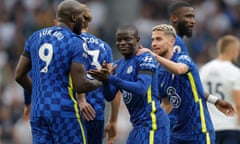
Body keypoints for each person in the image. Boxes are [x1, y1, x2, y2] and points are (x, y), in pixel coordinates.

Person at [14, 0, 102, 144]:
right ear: (74, 17)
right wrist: (101, 80)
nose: (83, 21)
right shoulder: (75, 42)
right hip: (64, 112)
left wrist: (36, 92)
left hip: (39, 111)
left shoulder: (35, 37)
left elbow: (19, 75)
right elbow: (80, 85)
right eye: (81, 17)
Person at [89, 25, 170, 144]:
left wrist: (111, 79)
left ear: (137, 40)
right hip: (138, 125)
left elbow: (142, 89)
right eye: (119, 40)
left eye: (127, 39)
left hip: (153, 123)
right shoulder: (119, 65)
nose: (122, 43)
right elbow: (110, 96)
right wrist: (105, 80)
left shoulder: (145, 58)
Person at [149, 24, 215, 143]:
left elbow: (179, 69)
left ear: (171, 41)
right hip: (175, 134)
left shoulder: (183, 59)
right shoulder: (158, 72)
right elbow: (166, 104)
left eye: (158, 39)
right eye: (152, 40)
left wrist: (154, 57)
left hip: (198, 131)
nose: (154, 43)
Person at [77, 5, 120, 144]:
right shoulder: (104, 47)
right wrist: (113, 120)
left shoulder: (66, 43)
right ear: (88, 23)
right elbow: (113, 86)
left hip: (71, 112)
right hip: (96, 113)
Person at [200, 35, 240, 144]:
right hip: (230, 126)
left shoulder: (204, 70)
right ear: (231, 50)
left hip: (209, 126)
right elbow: (238, 104)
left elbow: (199, 94)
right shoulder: (235, 72)